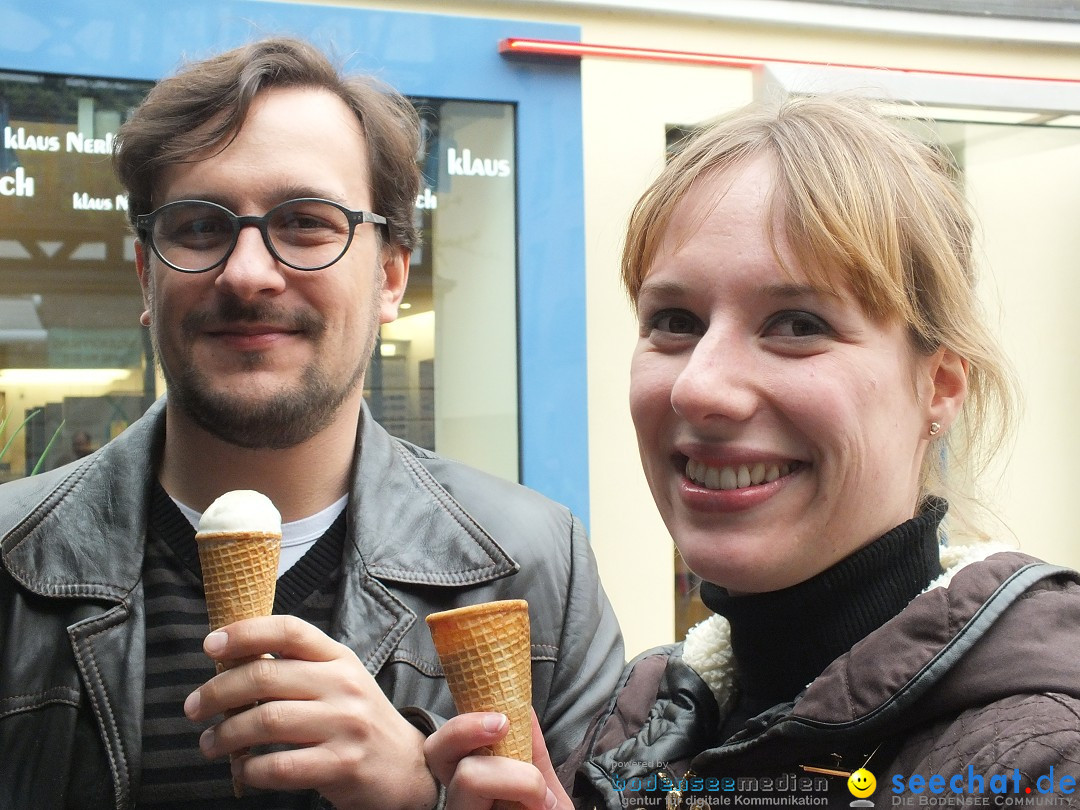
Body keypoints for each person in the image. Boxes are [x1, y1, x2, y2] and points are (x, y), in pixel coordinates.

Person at [0, 37, 622, 810]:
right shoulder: (11, 566)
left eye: (305, 223)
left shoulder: (538, 570)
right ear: (145, 273)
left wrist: (420, 798)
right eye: (198, 226)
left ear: (391, 276)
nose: (249, 272)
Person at [424, 94, 1080, 809]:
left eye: (797, 324)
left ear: (939, 387)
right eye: (675, 321)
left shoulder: (1039, 763)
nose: (700, 388)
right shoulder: (640, 717)